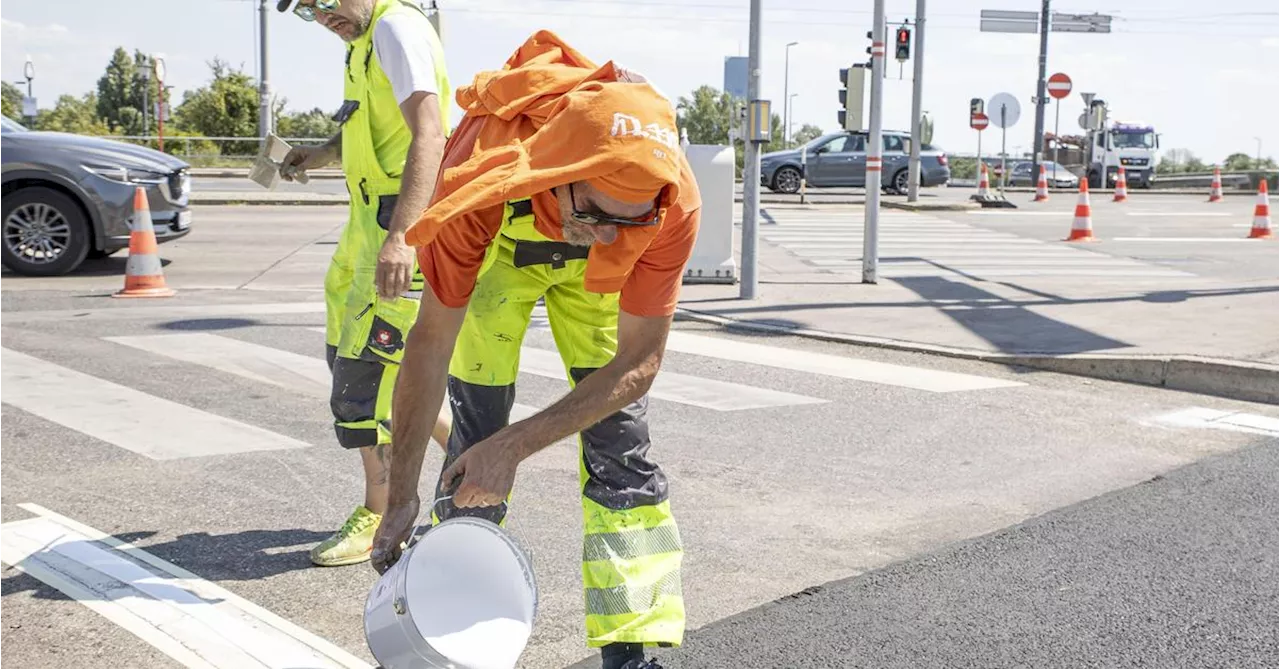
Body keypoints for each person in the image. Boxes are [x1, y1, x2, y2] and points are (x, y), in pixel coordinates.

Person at [369, 31, 701, 669]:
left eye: (631, 220)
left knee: (619, 448)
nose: (608, 234)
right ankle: (453, 620)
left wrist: (519, 447)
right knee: (478, 428)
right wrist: (403, 491)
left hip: (594, 278)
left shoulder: (665, 199)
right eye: (600, 213)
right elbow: (431, 343)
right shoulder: (480, 169)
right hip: (503, 251)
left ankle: (635, 649)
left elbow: (639, 364)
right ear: (558, 172)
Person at [274, 0, 454, 568]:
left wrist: (403, 237)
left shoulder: (396, 30)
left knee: (365, 379)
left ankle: (378, 511)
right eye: (307, 12)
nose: (322, 16)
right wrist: (322, 153)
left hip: (392, 226)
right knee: (380, 367)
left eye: (323, 2)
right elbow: (373, 131)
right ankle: (474, 463)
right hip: (363, 228)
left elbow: (430, 134)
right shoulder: (362, 43)